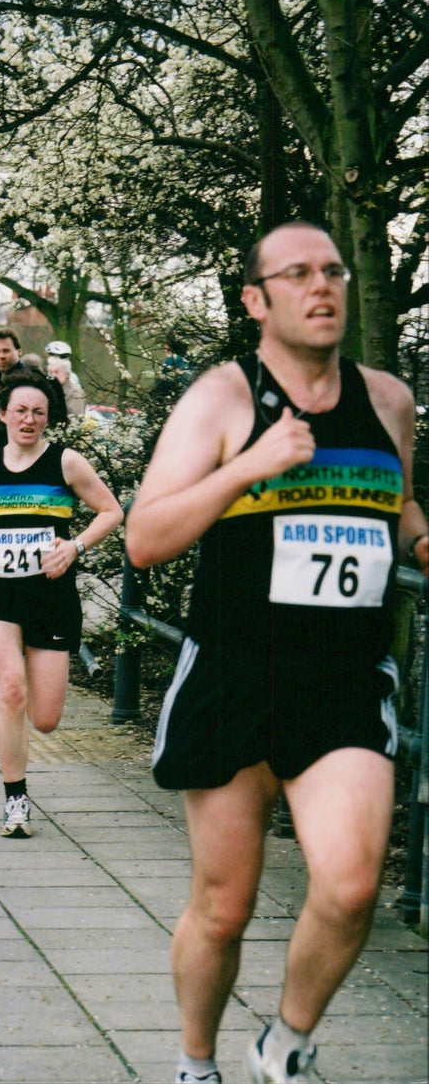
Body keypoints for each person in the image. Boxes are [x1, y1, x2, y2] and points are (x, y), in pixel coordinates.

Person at [125, 221, 428, 1084]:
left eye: (332, 269)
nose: (322, 285)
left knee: (351, 886)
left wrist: (421, 541)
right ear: (258, 300)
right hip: (232, 672)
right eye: (297, 273)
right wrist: (246, 467)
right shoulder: (223, 398)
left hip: (341, 680)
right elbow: (146, 539)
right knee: (224, 910)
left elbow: (391, 503)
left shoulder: (388, 400)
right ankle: (195, 1062)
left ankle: (286, 1043)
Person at [0, 372, 124, 837]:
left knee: (45, 718)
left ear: (48, 419)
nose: (29, 420)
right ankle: (15, 798)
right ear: (2, 414)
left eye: (38, 413)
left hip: (50, 594)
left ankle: (21, 746)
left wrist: (75, 547)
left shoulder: (66, 462)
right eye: (20, 411)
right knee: (10, 690)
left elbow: (112, 510)